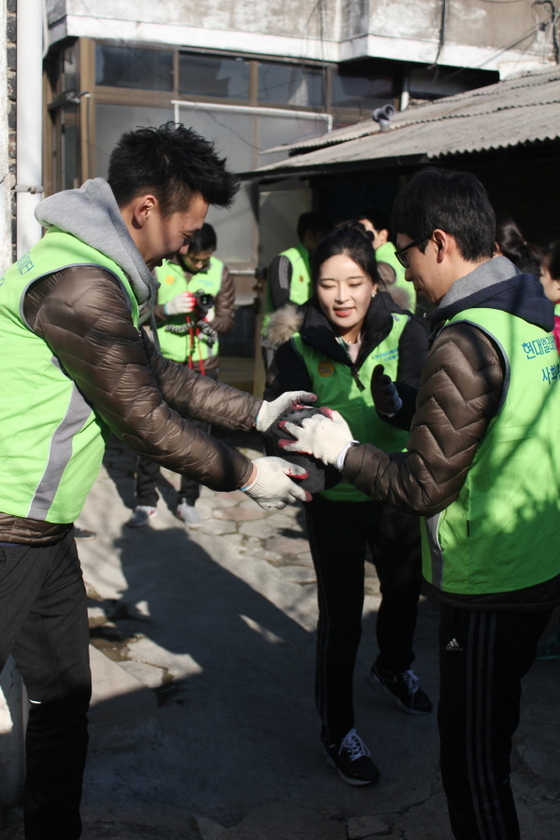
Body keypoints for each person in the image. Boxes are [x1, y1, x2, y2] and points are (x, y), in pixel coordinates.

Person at [0, 122, 314, 840]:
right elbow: (143, 417)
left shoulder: (98, 272)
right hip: (4, 523)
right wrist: (246, 473)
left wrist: (260, 412)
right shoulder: (78, 285)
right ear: (145, 208)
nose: (187, 245)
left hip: (43, 533)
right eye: (188, 225)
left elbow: (163, 373)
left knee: (62, 695)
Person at [281, 168, 560, 840]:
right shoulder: (530, 314)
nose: (403, 273)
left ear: (437, 243)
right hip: (535, 564)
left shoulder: (460, 337)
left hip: (487, 582)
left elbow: (423, 487)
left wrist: (341, 450)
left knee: (474, 768)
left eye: (401, 255)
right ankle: (342, 722)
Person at [265, 222, 431, 786]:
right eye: (329, 284)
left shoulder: (409, 330)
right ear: (314, 286)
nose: (342, 297)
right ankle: (338, 729)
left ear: (375, 284)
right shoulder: (296, 347)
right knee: (341, 621)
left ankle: (394, 666)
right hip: (333, 501)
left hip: (393, 490)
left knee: (405, 591)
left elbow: (426, 410)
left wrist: (396, 404)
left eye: (354, 283)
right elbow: (278, 426)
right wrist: (301, 443)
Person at [128, 222, 235, 528]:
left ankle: (188, 500)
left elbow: (229, 319)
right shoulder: (160, 267)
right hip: (164, 363)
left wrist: (214, 319)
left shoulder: (220, 272)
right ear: (185, 249)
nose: (201, 265)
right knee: (151, 432)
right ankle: (146, 499)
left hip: (204, 366)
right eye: (195, 259)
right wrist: (167, 308)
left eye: (206, 260)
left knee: (200, 439)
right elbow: (139, 311)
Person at [262, 212, 332, 368]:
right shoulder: (284, 261)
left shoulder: (316, 262)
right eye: (324, 235)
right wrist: (314, 317)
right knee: (279, 389)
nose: (327, 241)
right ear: (309, 234)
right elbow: (282, 303)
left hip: (305, 337)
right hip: (279, 339)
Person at [358, 210, 417, 312]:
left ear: (383, 235)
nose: (361, 239)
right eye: (358, 234)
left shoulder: (383, 265)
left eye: (367, 234)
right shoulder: (392, 256)